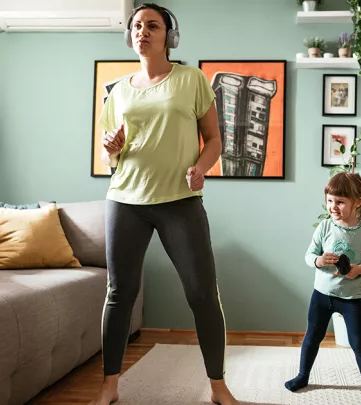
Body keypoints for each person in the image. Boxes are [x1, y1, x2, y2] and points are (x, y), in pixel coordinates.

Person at [89, 3, 239, 405]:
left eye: (152, 25)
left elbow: (215, 140)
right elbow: (110, 157)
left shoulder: (191, 79)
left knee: (202, 293)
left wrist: (201, 168)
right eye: (137, 26)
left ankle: (218, 387)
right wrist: (111, 149)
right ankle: (109, 387)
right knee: (119, 293)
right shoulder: (118, 91)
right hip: (125, 200)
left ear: (169, 36)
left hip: (180, 201)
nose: (143, 32)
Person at [285, 172, 361, 405]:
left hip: (351, 298)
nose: (333, 206)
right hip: (321, 294)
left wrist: (358, 270)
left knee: (359, 342)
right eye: (330, 201)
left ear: (357, 201)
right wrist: (318, 261)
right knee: (312, 336)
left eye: (340, 202)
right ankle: (302, 376)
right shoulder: (325, 226)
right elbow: (309, 255)